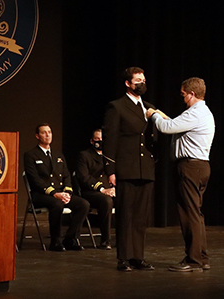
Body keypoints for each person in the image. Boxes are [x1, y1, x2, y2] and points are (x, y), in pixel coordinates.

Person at [146, 77, 215, 272]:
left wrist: (153, 115)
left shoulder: (196, 113)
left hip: (191, 167)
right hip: (198, 167)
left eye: (184, 94)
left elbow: (166, 127)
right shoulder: (200, 113)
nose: (182, 97)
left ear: (192, 94)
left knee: (189, 213)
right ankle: (201, 257)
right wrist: (163, 115)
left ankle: (194, 260)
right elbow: (175, 124)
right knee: (196, 213)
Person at [102, 67, 156, 271]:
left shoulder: (149, 108)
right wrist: (111, 170)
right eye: (138, 80)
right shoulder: (116, 107)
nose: (142, 83)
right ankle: (123, 258)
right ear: (128, 83)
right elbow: (110, 140)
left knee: (141, 216)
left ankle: (137, 256)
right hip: (126, 168)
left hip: (145, 169)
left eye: (144, 79)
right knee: (126, 214)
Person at [24, 123, 90, 251]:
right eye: (44, 132)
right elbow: (35, 179)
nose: (47, 135)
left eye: (49, 132)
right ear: (37, 136)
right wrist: (54, 193)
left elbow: (66, 175)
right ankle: (55, 241)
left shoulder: (58, 155)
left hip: (60, 193)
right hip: (41, 194)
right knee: (57, 204)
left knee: (83, 204)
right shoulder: (31, 155)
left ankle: (70, 239)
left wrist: (67, 192)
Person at [76, 129, 115, 250]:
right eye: (97, 139)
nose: (100, 142)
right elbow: (84, 177)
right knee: (106, 201)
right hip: (91, 192)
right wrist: (102, 189)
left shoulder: (110, 157)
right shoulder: (85, 155)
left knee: (127, 198)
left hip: (110, 190)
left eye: (102, 140)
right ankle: (105, 240)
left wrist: (114, 188)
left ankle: (125, 240)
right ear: (92, 141)